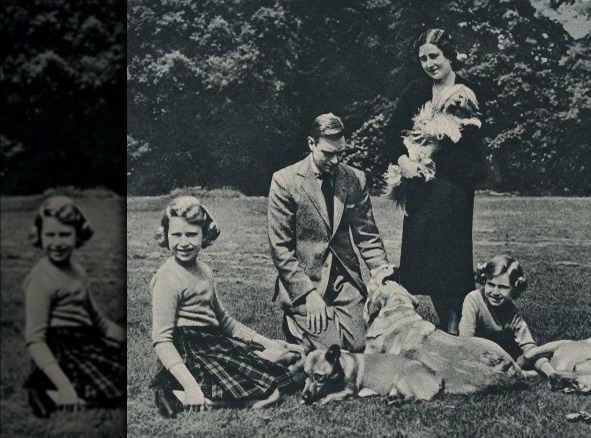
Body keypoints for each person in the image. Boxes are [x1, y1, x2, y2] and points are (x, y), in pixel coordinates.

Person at [148, 196, 301, 418]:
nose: (184, 242)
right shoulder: (167, 278)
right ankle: (180, 393)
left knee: (290, 371)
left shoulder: (204, 271)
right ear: (166, 235)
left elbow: (224, 321)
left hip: (214, 343)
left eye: (191, 234)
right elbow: (161, 340)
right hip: (189, 349)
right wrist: (190, 386)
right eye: (176, 235)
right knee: (270, 394)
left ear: (204, 235)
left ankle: (266, 356)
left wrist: (266, 341)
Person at [383, 28, 488, 334]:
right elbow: (390, 134)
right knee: (423, 256)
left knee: (450, 256)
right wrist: (403, 161)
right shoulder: (415, 92)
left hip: (453, 182)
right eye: (423, 58)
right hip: (419, 182)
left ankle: (457, 324)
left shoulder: (467, 91)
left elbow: (474, 135)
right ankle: (451, 321)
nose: (429, 63)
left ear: (449, 56)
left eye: (434, 56)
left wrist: (438, 135)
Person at [268, 113, 395, 352]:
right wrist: (308, 294)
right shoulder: (284, 181)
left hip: (344, 280)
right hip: (306, 281)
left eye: (341, 153)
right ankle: (294, 322)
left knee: (361, 346)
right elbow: (280, 249)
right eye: (328, 153)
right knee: (334, 351)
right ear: (311, 143)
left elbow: (367, 236)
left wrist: (383, 275)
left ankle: (327, 325)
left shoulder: (355, 179)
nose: (336, 160)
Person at [23, 196, 126, 418]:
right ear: (39, 236)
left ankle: (70, 394)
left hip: (86, 340)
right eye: (50, 235)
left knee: (127, 370)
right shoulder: (41, 278)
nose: (57, 242)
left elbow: (97, 320)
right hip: (62, 348)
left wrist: (125, 338)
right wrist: (64, 386)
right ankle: (52, 393)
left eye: (64, 234)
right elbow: (35, 339)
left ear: (77, 236)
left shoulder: (78, 271)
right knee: (114, 385)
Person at [459, 255, 555, 378]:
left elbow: (529, 347)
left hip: (500, 359)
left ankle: (549, 374)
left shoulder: (512, 312)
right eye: (491, 284)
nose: (495, 292)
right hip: (473, 356)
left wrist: (550, 372)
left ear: (514, 289)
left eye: (503, 287)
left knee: (531, 356)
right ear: (484, 281)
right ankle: (526, 374)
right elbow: (465, 341)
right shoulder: (474, 300)